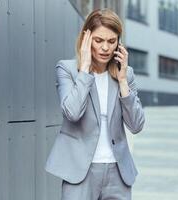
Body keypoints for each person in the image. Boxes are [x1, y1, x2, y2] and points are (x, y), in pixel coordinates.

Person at [45, 8, 145, 200]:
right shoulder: (67, 70)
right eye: (99, 40)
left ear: (119, 42)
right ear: (86, 39)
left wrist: (123, 81)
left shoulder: (126, 74)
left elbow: (136, 125)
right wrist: (84, 70)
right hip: (79, 171)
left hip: (118, 172)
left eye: (111, 41)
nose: (105, 48)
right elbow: (72, 113)